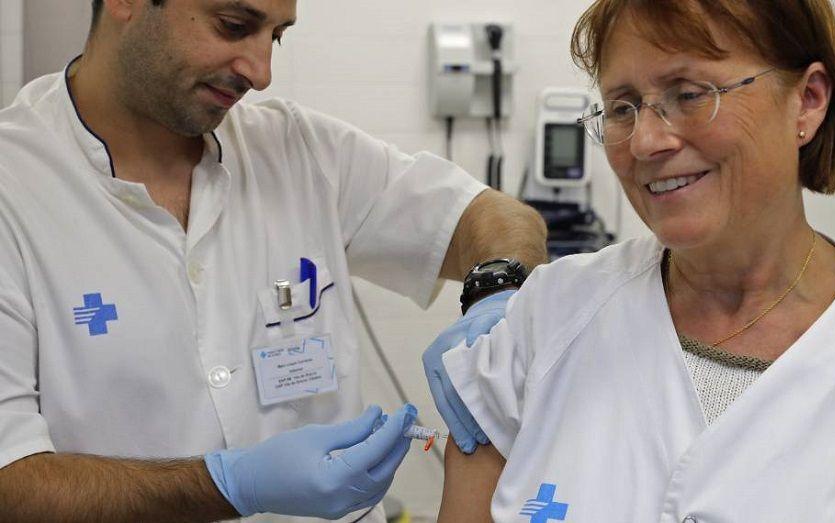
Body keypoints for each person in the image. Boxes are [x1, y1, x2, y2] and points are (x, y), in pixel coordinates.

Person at [0, 0, 547, 521]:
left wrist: (498, 290)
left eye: (277, 36)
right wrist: (229, 484)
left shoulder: (299, 150)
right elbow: (12, 485)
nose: (261, 73)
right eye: (235, 25)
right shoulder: (16, 187)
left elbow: (496, 216)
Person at [435, 0, 835, 521]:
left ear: (808, 101)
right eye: (622, 107)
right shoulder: (545, 318)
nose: (646, 141)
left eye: (690, 94)